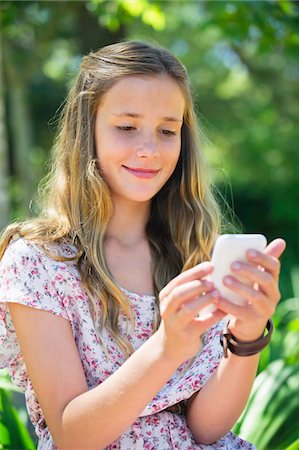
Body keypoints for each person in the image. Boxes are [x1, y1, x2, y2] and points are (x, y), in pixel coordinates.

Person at [0, 40, 285, 450]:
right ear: (87, 132)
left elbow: (206, 430)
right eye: (127, 127)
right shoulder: (38, 263)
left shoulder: (192, 252)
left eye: (167, 131)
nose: (149, 149)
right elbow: (73, 436)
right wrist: (166, 349)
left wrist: (248, 331)